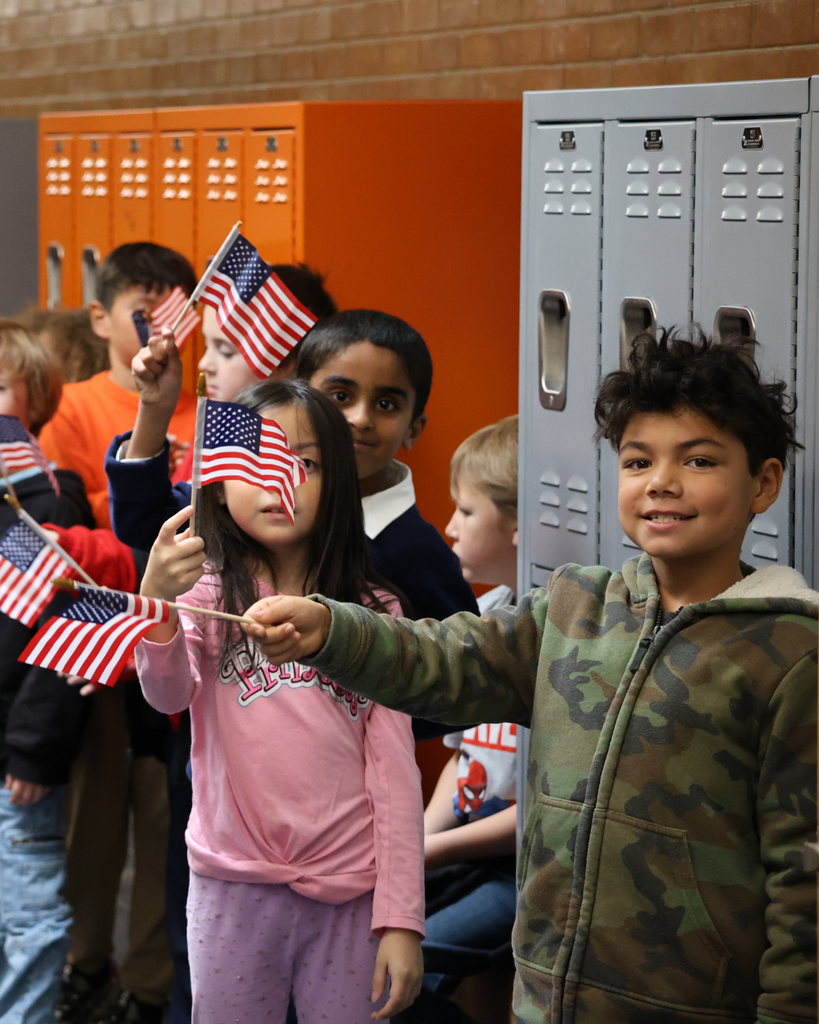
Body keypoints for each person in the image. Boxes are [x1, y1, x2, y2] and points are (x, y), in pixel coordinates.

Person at [241, 331, 817, 1024]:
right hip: (545, 1000)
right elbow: (444, 659)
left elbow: (803, 880)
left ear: (763, 482)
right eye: (638, 461)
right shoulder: (575, 607)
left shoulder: (790, 650)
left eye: (697, 460)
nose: (661, 481)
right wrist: (331, 629)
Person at [134, 379, 425, 1023]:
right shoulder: (209, 592)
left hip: (354, 895)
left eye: (308, 461)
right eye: (257, 457)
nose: (281, 479)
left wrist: (402, 918)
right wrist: (156, 601)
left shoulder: (376, 612)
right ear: (219, 475)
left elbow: (397, 775)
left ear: (340, 481)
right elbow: (166, 694)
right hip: (231, 885)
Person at [396, 416, 520, 1024]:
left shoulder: (563, 639)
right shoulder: (487, 614)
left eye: (467, 512)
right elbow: (465, 756)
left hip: (523, 870)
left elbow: (542, 816)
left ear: (522, 526)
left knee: (388, 983)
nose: (449, 527)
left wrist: (426, 853)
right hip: (456, 850)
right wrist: (418, 840)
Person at [0, 322, 95, 1024]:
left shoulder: (49, 504)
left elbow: (69, 631)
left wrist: (34, 747)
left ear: (33, 403)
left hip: (14, 758)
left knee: (27, 915)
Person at [38, 242, 199, 529]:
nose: (166, 328)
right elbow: (65, 510)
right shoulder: (69, 408)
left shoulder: (205, 413)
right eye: (146, 313)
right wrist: (146, 478)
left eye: (177, 313)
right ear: (101, 319)